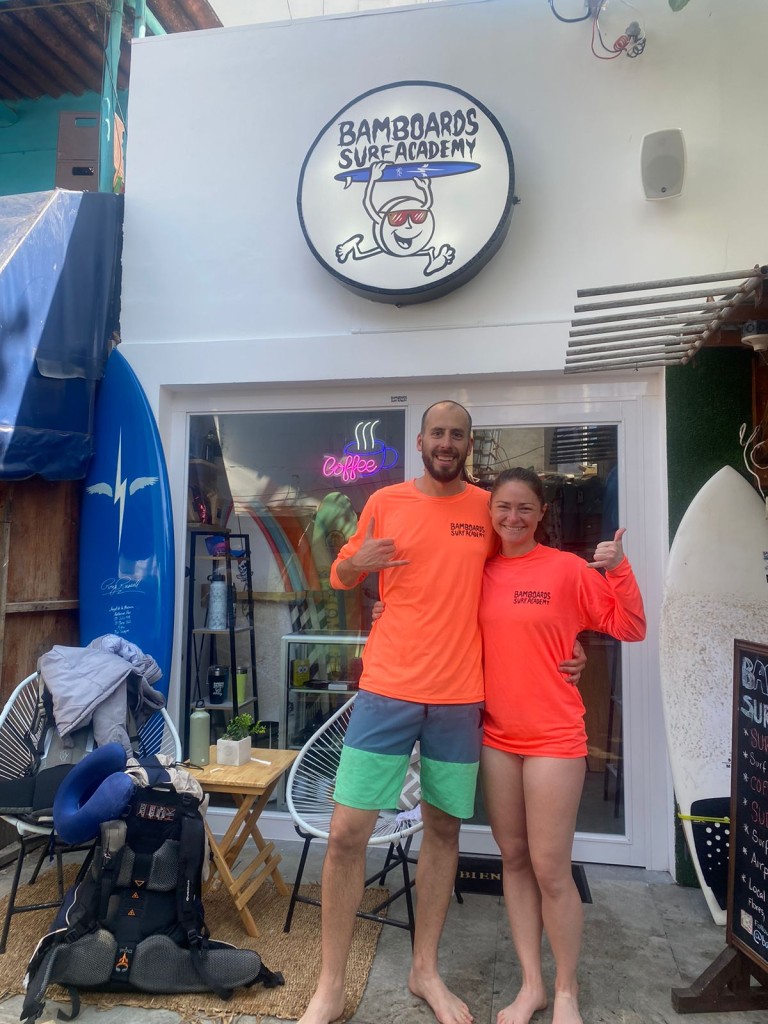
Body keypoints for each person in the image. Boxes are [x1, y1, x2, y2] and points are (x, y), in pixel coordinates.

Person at [298, 402, 585, 1024]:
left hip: (460, 700)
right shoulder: (385, 502)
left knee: (444, 832)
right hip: (388, 691)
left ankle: (424, 968)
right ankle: (329, 985)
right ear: (421, 440)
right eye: (438, 433)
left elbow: (520, 580)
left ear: (469, 443)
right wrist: (356, 566)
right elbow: (341, 570)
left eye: (457, 434)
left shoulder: (487, 510)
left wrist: (570, 640)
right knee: (348, 833)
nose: (447, 443)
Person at [478, 467, 646, 1024]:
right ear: (492, 510)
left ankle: (566, 989)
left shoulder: (567, 570)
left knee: (551, 867)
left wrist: (619, 570)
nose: (512, 517)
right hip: (496, 736)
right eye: (503, 507)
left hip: (553, 736)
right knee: (515, 858)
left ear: (542, 512)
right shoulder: (477, 572)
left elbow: (629, 624)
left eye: (524, 508)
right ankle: (532, 987)